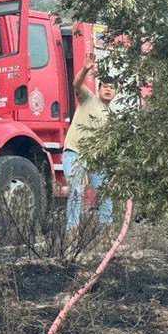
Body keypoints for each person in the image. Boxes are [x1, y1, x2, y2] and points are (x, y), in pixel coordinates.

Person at [62, 53, 117, 230]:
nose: (108, 89)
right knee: (76, 191)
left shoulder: (112, 118)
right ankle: (71, 233)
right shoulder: (88, 98)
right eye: (105, 86)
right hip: (75, 153)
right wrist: (85, 69)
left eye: (112, 88)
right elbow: (76, 84)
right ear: (99, 89)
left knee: (106, 193)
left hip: (96, 160)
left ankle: (105, 234)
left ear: (115, 93)